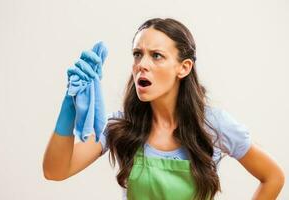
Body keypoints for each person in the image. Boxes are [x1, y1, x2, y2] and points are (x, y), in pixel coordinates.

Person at [43, 18, 285, 200]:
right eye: (138, 55)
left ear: (184, 67)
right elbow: (56, 171)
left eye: (156, 56)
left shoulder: (212, 125)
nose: (142, 65)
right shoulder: (121, 125)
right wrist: (69, 105)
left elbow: (273, 177)